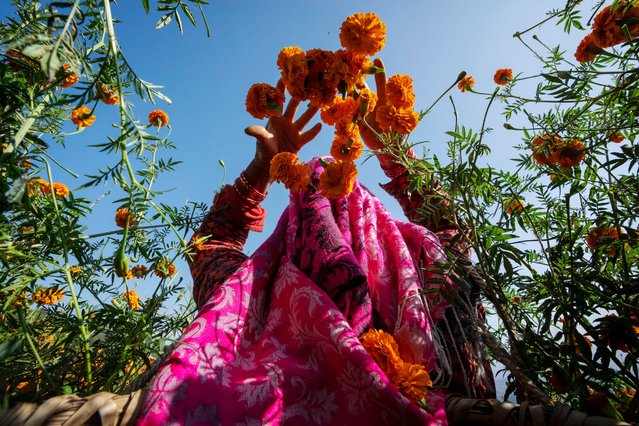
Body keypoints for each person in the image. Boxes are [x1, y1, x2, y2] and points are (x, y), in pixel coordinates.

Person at [137, 59, 495, 425]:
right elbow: (451, 230)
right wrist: (395, 154)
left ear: (293, 234)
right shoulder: (428, 285)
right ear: (380, 231)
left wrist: (261, 169)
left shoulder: (255, 305)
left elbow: (211, 246)